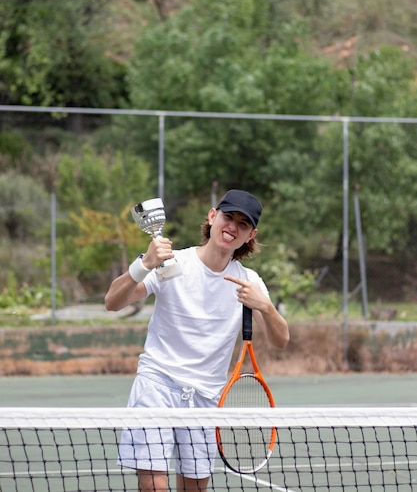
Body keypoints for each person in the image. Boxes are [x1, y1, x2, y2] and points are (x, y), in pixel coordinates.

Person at [105, 189, 289, 492]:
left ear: (250, 235)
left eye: (243, 224)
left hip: (206, 397)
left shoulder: (249, 281)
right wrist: (144, 264)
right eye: (228, 217)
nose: (232, 227)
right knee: (153, 485)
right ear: (213, 216)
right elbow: (112, 302)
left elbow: (281, 339)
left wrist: (265, 307)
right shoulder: (171, 264)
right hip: (157, 385)